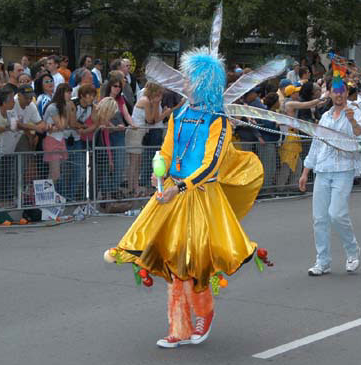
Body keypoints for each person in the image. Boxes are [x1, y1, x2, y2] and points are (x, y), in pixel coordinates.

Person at [104, 46, 264, 348]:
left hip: (201, 197)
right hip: (173, 193)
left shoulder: (218, 120)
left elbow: (210, 165)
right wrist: (158, 173)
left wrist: (180, 187)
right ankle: (179, 327)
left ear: (205, 83)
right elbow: (166, 150)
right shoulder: (180, 113)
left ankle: (204, 314)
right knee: (174, 263)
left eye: (190, 80)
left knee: (194, 265)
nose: (184, 84)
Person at [298, 76, 361, 275]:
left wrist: (352, 120)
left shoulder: (354, 111)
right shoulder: (325, 117)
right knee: (319, 218)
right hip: (323, 170)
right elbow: (316, 144)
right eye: (335, 91)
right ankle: (323, 261)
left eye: (342, 91)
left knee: (337, 214)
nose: (338, 94)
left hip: (344, 169)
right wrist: (305, 172)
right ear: (329, 93)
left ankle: (353, 251)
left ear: (346, 93)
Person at [42, 83, 71, 195]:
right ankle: (46, 195)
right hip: (52, 141)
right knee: (54, 173)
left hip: (60, 139)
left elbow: (63, 126)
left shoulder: (63, 107)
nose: (70, 95)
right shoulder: (53, 107)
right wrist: (57, 126)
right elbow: (62, 125)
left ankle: (49, 195)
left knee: (56, 173)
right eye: (67, 92)